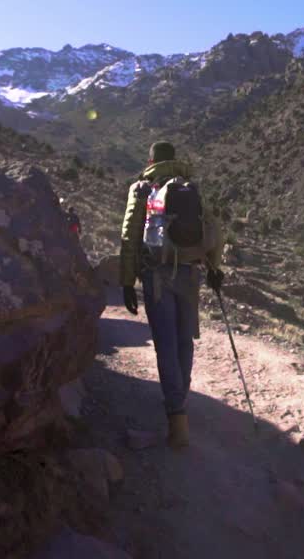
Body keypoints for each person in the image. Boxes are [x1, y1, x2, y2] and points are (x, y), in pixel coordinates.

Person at [119, 141, 224, 448]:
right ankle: (181, 397)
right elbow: (215, 229)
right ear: (174, 160)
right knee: (183, 340)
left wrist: (127, 281)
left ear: (151, 160)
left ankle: (177, 419)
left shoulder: (142, 188)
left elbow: (129, 234)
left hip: (157, 275)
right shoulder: (190, 187)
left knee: (165, 344)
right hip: (190, 273)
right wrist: (214, 267)